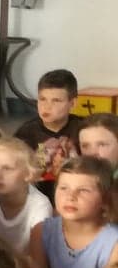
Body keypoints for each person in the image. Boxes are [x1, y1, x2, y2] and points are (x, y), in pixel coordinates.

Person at [30, 157, 118, 268]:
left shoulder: (114, 242)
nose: (70, 196)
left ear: (104, 199)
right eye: (63, 188)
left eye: (83, 190)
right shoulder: (41, 231)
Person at [0, 137, 52, 253]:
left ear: (28, 174)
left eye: (7, 169)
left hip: (25, 261)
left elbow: (38, 256)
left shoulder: (39, 205)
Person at [17, 68, 84, 197]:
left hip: (75, 192)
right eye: (42, 99)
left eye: (56, 101)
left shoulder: (82, 129)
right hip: (39, 194)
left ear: (72, 103)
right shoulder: (27, 132)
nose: (47, 107)